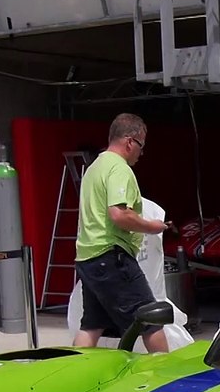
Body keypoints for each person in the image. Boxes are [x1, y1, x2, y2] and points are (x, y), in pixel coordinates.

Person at [72, 113, 170, 352]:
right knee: (151, 319)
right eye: (141, 146)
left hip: (88, 257)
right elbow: (119, 214)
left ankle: (74, 370)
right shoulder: (119, 169)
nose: (141, 153)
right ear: (129, 141)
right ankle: (166, 375)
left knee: (91, 325)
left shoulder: (94, 167)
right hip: (111, 257)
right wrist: (152, 226)